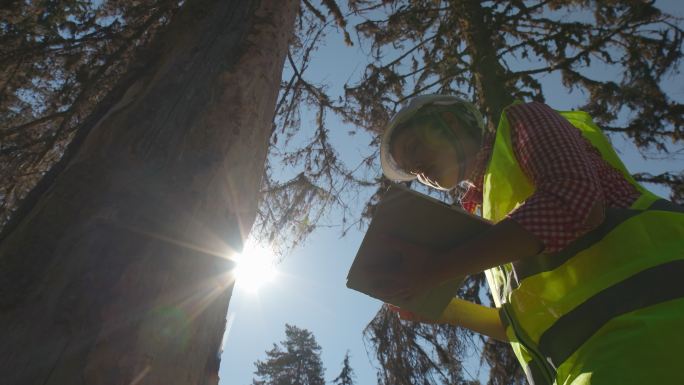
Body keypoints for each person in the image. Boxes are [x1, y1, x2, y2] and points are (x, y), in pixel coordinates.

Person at [377, 95, 684, 385]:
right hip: (594, 363)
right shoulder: (486, 216)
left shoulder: (522, 120)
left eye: (415, 147)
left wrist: (437, 269)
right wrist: (447, 310)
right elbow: (522, 323)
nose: (417, 171)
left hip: (656, 330)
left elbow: (573, 198)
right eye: (410, 172)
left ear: (450, 121)